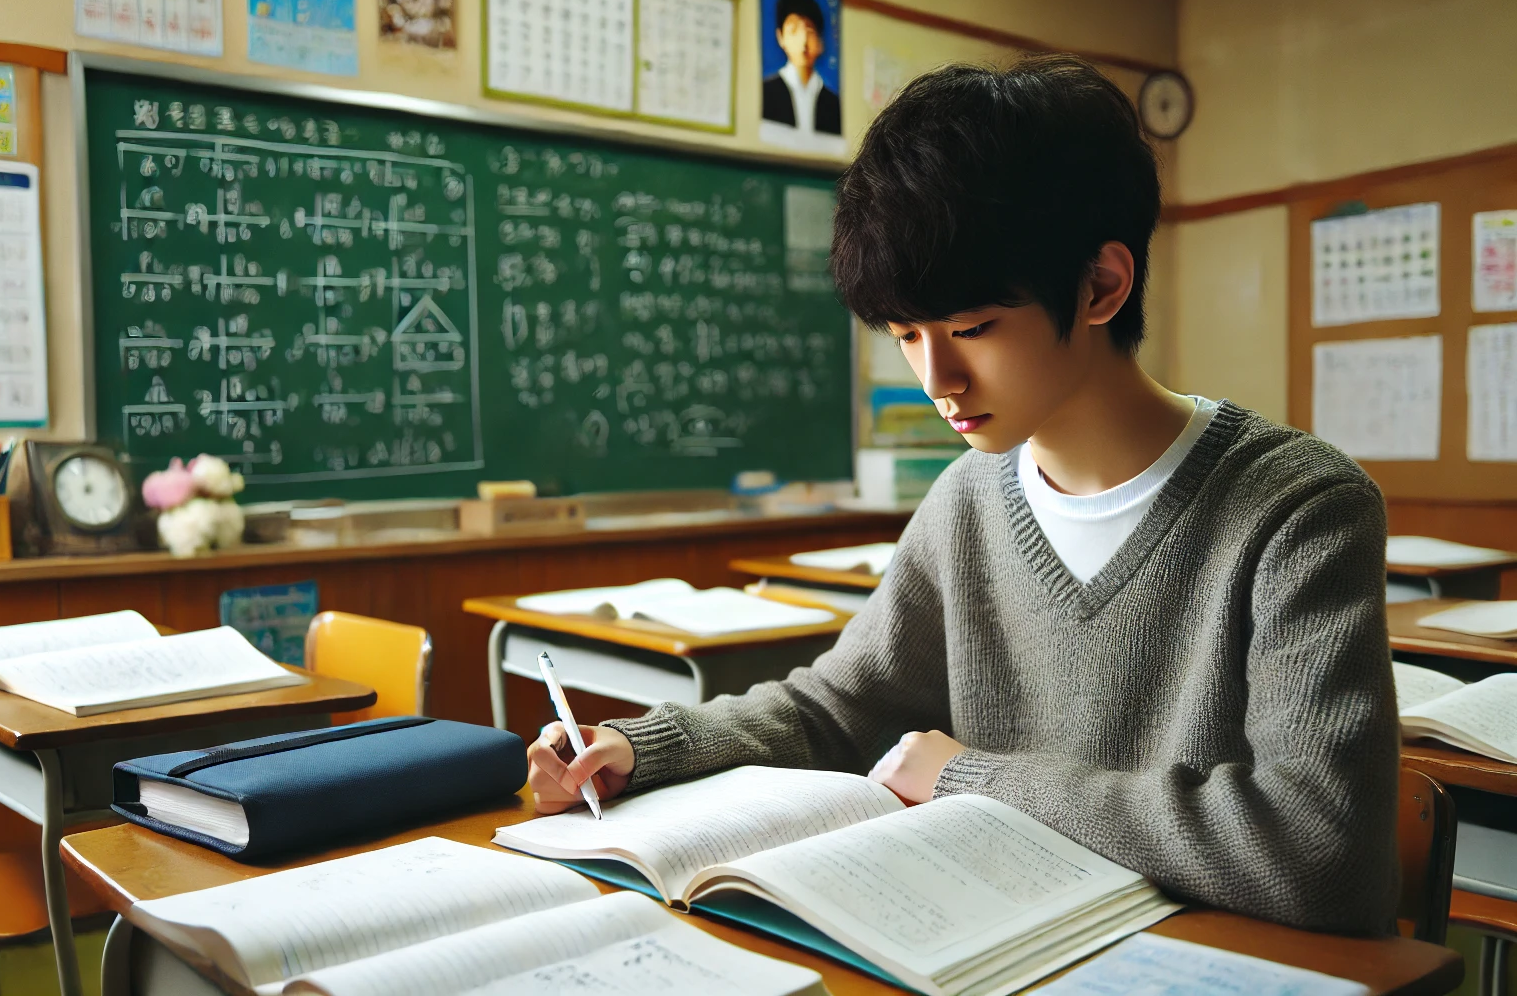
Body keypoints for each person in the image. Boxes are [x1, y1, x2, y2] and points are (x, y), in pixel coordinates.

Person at [528, 55, 1401, 936]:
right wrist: (644, 746)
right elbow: (840, 708)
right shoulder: (970, 498)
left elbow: (1320, 847)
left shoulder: (1302, 508)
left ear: (1101, 286)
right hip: (997, 939)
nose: (936, 377)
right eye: (907, 334)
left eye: (973, 328)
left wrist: (970, 777)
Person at [761, 0, 840, 138]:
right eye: (794, 30)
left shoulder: (834, 104)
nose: (803, 41)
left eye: (809, 31)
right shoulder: (766, 92)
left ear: (820, 41)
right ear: (781, 37)